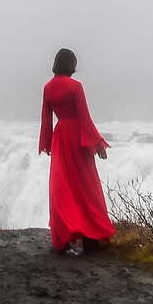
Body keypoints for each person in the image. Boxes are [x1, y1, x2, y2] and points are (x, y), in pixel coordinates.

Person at [38, 47, 115, 254]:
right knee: (86, 187)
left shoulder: (48, 87)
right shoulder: (75, 86)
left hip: (60, 136)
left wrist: (46, 143)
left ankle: (63, 238)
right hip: (78, 138)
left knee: (62, 188)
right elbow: (85, 118)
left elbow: (46, 119)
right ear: (72, 65)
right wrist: (98, 145)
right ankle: (91, 238)